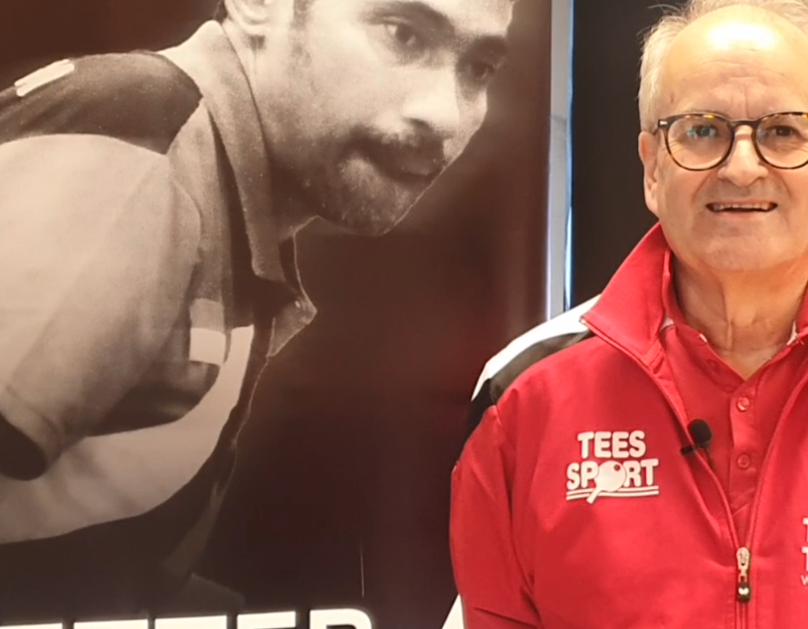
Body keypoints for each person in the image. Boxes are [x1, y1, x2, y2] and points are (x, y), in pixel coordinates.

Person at [452, 0, 808, 626]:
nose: (741, 167)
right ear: (653, 166)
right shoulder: (523, 393)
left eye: (783, 131)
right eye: (702, 130)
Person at [0, 0, 513, 620]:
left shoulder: (211, 169)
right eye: (402, 34)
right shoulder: (145, 144)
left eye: (479, 68)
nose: (445, 115)